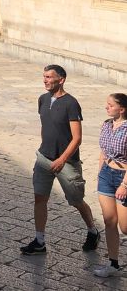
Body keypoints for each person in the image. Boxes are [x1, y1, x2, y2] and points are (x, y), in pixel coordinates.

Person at [20, 64, 99, 255]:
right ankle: (40, 241)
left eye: (49, 77)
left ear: (61, 80)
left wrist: (62, 159)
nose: (45, 80)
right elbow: (45, 126)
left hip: (67, 163)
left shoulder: (71, 103)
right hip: (44, 159)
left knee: (76, 200)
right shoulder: (42, 99)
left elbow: (77, 138)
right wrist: (45, 149)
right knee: (39, 198)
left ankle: (92, 231)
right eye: (44, 76)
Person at [91, 92, 127, 277]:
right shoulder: (106, 125)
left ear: (122, 109)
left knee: (125, 226)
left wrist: (124, 185)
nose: (106, 107)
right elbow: (103, 152)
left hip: (124, 176)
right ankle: (113, 264)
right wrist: (99, 173)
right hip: (106, 174)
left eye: (110, 105)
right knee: (109, 221)